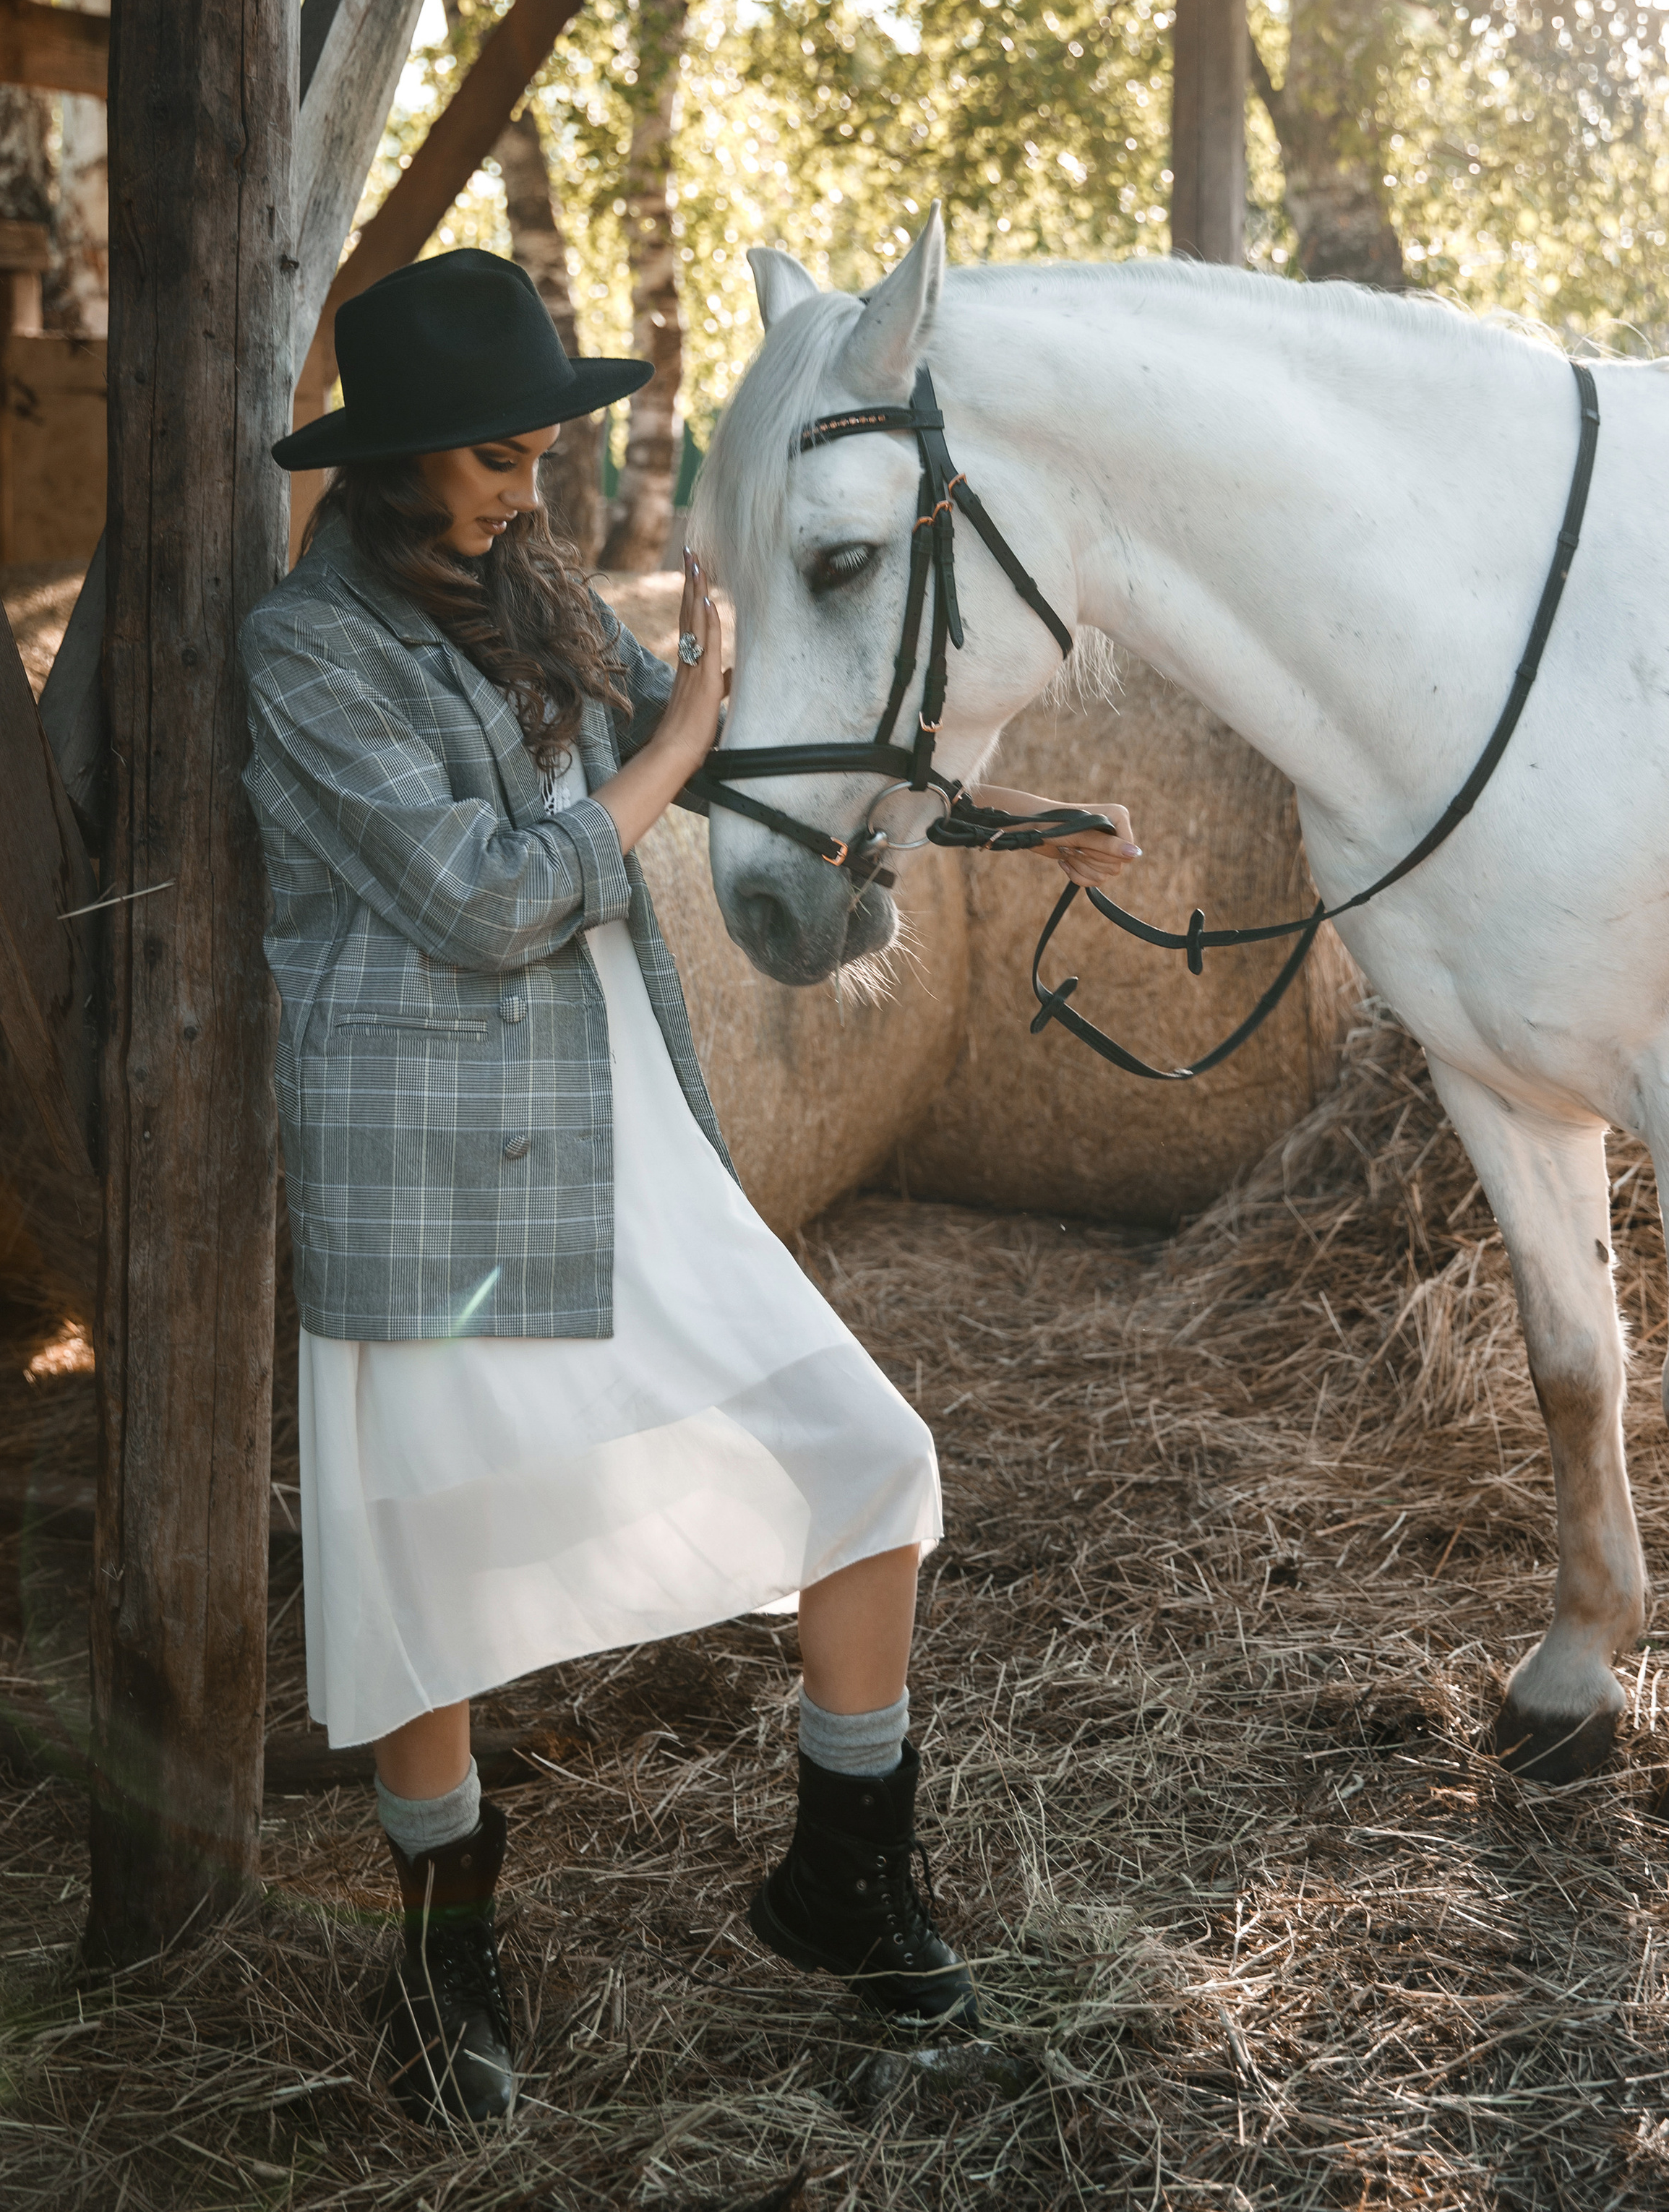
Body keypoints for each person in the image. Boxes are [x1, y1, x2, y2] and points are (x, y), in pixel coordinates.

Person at [241, 249, 1136, 2127]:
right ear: (392, 460)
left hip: (622, 1123)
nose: (528, 486)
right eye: (489, 456)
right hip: (426, 1152)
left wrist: (983, 824)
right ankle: (443, 1971)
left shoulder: (536, 585)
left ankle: (844, 1881)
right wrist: (665, 731)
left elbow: (741, 750)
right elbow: (486, 895)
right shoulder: (304, 651)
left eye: (540, 448)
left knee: (867, 1459)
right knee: (431, 1566)